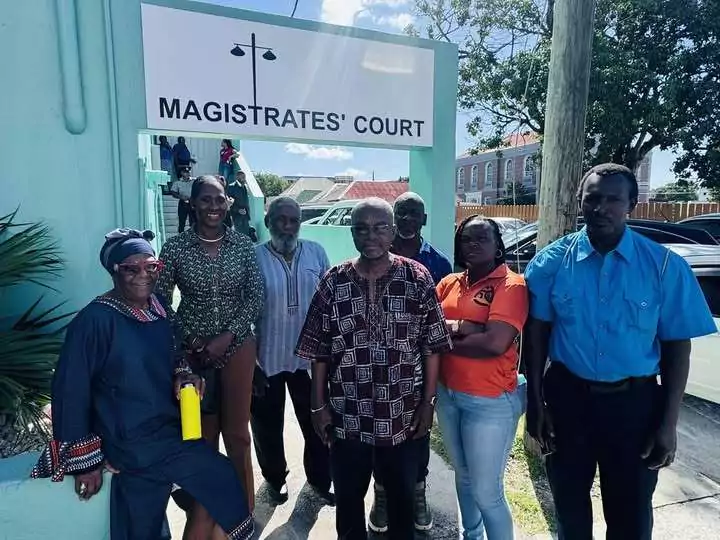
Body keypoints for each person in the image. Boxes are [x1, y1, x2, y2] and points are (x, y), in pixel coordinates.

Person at [523, 164, 717, 540]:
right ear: (579, 201)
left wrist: (668, 424)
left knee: (631, 517)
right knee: (569, 510)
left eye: (613, 199)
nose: (601, 208)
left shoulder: (664, 267)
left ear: (632, 204)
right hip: (568, 402)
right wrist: (535, 402)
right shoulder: (551, 263)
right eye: (593, 198)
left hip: (634, 408)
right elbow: (536, 336)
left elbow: (677, 347)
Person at [31, 228, 254, 540]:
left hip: (168, 433)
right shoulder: (95, 320)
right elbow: (71, 391)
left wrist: (184, 375)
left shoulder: (158, 307)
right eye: (131, 269)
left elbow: (175, 354)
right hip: (127, 443)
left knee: (220, 485)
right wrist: (86, 464)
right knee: (142, 524)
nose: (143, 275)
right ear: (114, 271)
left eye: (151, 267)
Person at [296, 198, 453, 540]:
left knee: (402, 503)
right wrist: (318, 406)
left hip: (402, 414)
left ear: (393, 232)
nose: (371, 236)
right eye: (362, 229)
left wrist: (428, 404)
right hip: (347, 414)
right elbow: (319, 350)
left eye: (380, 228)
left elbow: (431, 347)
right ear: (352, 233)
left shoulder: (417, 277)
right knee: (349, 501)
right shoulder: (333, 281)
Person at [155, 176, 263, 536]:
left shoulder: (243, 246)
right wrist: (191, 339)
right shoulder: (175, 248)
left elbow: (255, 296)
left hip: (238, 347)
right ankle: (205, 513)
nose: (214, 206)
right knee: (201, 438)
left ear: (228, 203)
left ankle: (242, 515)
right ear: (193, 203)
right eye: (206, 199)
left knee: (237, 435)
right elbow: (160, 301)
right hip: (193, 354)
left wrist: (226, 337)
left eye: (220, 199)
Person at [434, 215, 528, 540]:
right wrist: (466, 327)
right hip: (448, 395)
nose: (472, 245)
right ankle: (471, 535)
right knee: (463, 476)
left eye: (481, 239)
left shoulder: (511, 285)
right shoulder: (448, 283)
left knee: (488, 493)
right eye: (466, 239)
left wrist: (447, 334)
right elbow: (425, 327)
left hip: (489, 402)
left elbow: (494, 344)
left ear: (498, 246)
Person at [368, 191, 453, 533]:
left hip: (421, 366)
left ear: (424, 220)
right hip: (378, 365)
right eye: (401, 213)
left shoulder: (439, 265)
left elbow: (441, 324)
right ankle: (382, 493)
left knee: (419, 431)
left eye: (413, 214)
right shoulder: (374, 254)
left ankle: (418, 491)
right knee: (378, 431)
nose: (407, 220)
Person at [251, 197, 334, 505]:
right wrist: (250, 364)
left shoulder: (316, 252)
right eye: (280, 219)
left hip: (309, 361)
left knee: (317, 422)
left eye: (294, 220)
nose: (287, 227)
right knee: (266, 425)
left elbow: (329, 303)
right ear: (268, 221)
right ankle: (275, 478)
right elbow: (243, 312)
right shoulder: (253, 257)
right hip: (265, 359)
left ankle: (320, 480)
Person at [226, 170, 251, 235]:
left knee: (246, 236)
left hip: (246, 217)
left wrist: (248, 216)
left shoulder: (245, 187)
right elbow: (228, 203)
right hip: (236, 217)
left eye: (244, 177)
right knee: (238, 236)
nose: (244, 179)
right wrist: (238, 210)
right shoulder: (231, 187)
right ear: (237, 177)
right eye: (242, 177)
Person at [170, 166, 194, 233]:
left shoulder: (194, 181)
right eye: (185, 172)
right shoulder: (177, 183)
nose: (188, 173)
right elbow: (173, 192)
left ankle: (193, 236)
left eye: (188, 172)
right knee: (181, 222)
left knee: (193, 222)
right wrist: (180, 197)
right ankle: (180, 236)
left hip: (193, 203)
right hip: (183, 203)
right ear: (182, 173)